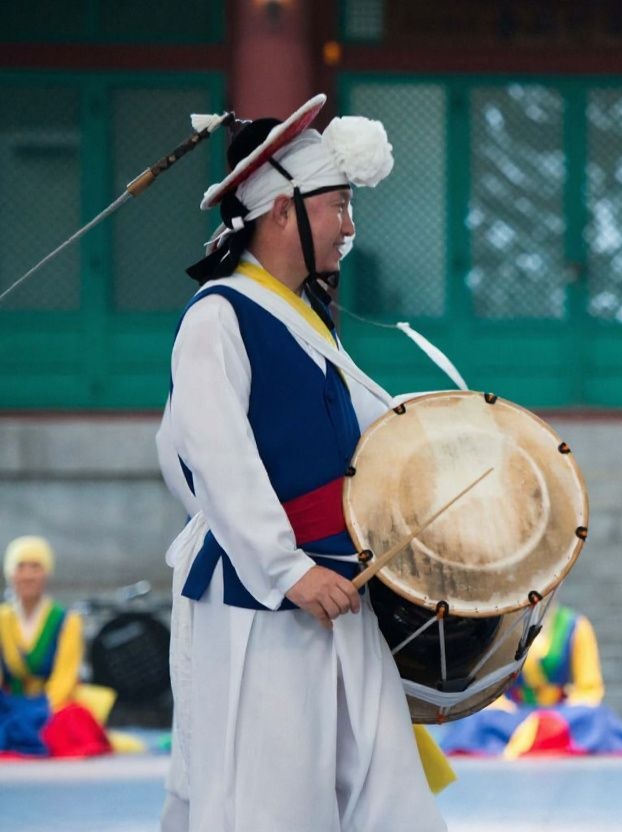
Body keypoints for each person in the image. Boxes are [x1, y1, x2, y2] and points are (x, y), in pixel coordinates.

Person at [156, 94, 447, 832]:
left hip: (340, 582)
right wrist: (286, 570)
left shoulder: (303, 316)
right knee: (273, 800)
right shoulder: (219, 316)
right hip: (270, 598)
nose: (349, 228)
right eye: (338, 206)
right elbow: (215, 460)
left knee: (387, 796)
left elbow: (370, 432)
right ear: (283, 209)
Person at [439, 602, 622, 757]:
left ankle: (532, 738)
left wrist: (575, 705)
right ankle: (545, 739)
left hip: (562, 713)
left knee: (594, 716)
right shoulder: (506, 627)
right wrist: (499, 704)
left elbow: (589, 686)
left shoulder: (575, 626)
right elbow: (488, 681)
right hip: (512, 713)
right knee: (478, 718)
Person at [0, 535, 113, 758]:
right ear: (10, 573)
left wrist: (42, 711)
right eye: (20, 567)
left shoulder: (67, 621)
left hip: (52, 706)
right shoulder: (2, 619)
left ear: (46, 573)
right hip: (10, 703)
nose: (28, 575)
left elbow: (65, 677)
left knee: (72, 721)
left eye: (35, 567)